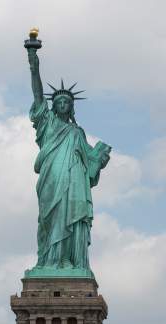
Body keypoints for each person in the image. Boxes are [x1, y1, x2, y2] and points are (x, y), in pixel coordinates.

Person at [26, 44, 111, 275]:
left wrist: (100, 157)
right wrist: (34, 64)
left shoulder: (77, 133)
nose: (63, 104)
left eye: (67, 102)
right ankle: (48, 261)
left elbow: (91, 163)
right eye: (59, 101)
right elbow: (36, 94)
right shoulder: (47, 124)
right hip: (51, 178)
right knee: (50, 218)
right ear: (53, 106)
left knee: (70, 219)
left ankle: (68, 261)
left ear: (71, 107)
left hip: (74, 182)